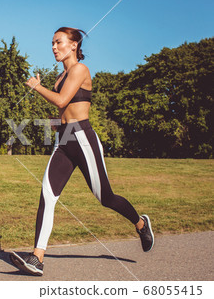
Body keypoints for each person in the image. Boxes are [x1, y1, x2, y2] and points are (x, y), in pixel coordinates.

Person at [9, 27, 154, 276]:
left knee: (105, 198)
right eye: (52, 43)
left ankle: (140, 224)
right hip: (63, 140)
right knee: (47, 195)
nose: (54, 47)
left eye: (58, 42)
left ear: (74, 44)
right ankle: (37, 258)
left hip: (82, 137)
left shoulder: (80, 70)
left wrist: (36, 88)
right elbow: (61, 110)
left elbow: (61, 100)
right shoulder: (58, 78)